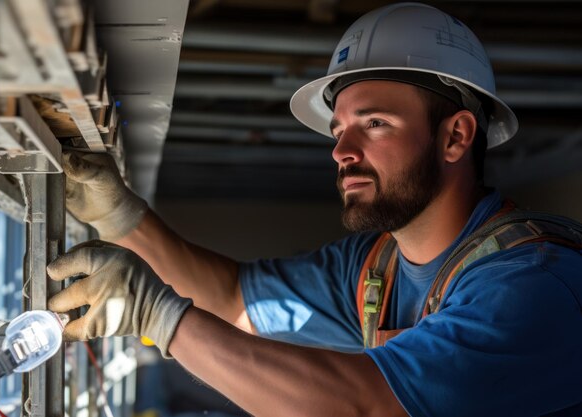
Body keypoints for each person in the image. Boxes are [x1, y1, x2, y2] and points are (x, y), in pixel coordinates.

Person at [48, 3, 582, 416]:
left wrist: (160, 317)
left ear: (456, 136)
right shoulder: (375, 268)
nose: (342, 151)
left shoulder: (533, 287)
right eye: (339, 130)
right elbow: (234, 300)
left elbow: (365, 405)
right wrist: (122, 218)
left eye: (374, 124)